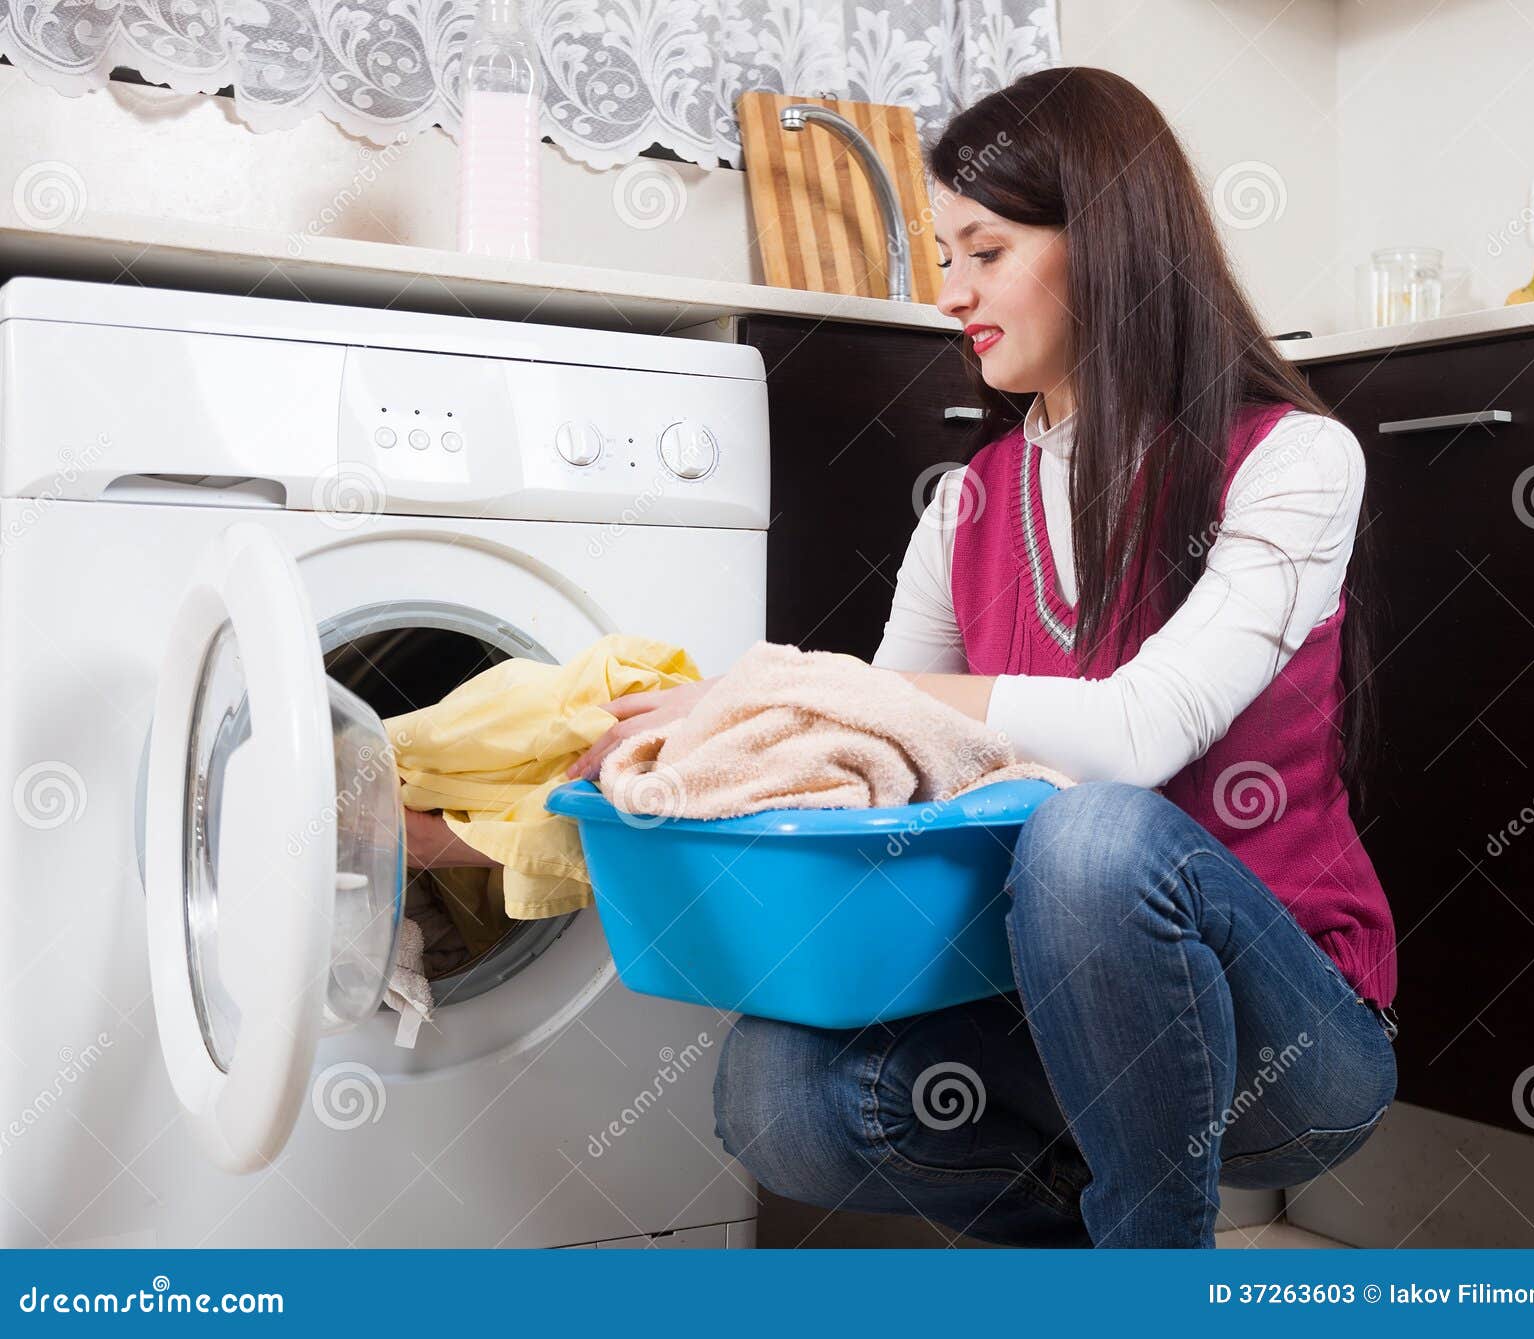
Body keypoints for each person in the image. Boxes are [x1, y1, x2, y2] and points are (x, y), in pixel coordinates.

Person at [464, 66, 1400, 1249]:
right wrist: (704, 734)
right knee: (779, 1093)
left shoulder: (1294, 461)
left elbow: (1138, 733)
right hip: (1058, 1037)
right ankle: (1077, 1255)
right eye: (940, 255)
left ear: (1105, 244)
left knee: (1092, 832)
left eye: (984, 250)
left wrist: (796, 681)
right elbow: (891, 758)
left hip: (1291, 1052)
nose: (950, 293)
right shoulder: (967, 504)